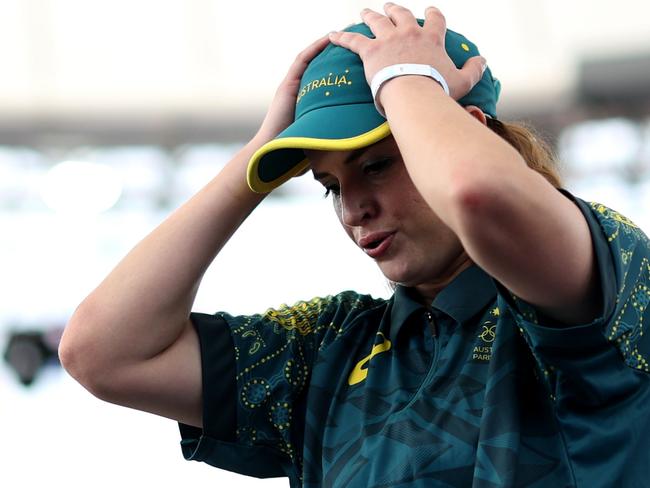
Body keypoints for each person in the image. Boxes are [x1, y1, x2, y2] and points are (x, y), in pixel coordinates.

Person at [59, 3, 650, 487]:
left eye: (375, 164)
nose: (351, 207)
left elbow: (480, 194)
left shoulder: (599, 266)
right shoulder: (330, 346)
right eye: (328, 184)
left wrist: (406, 79)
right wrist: (258, 155)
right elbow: (102, 351)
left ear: (468, 128)